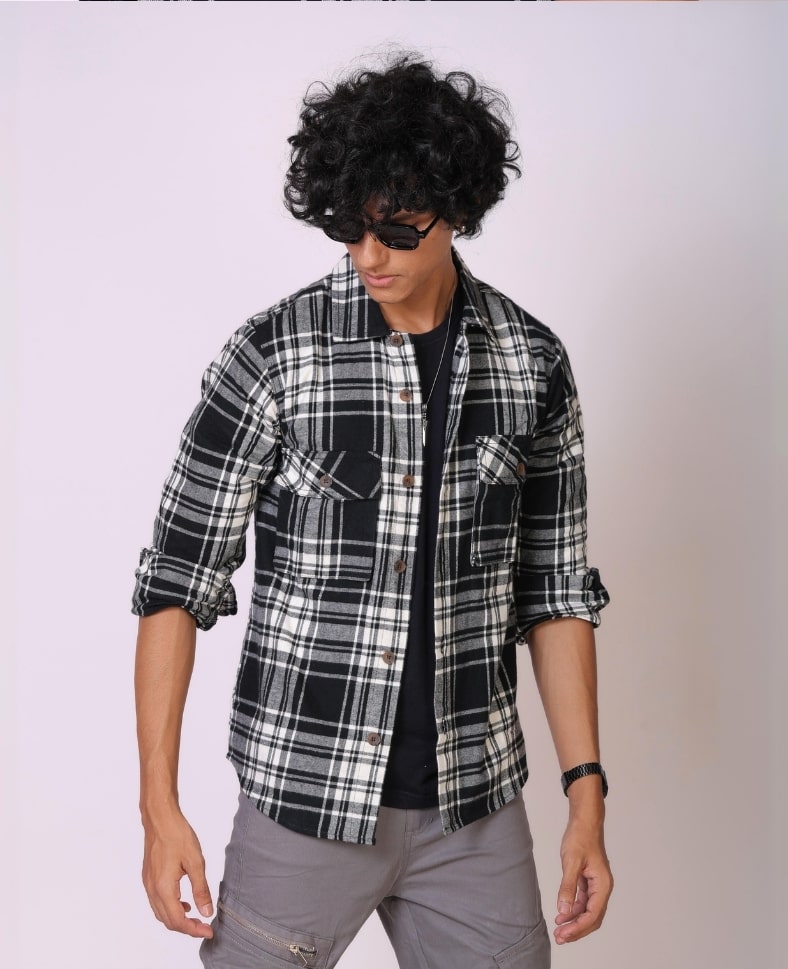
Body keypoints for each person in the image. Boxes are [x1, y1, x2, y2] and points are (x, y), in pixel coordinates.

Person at [132, 54, 612, 969]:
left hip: (473, 808)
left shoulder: (531, 364)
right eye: (349, 229)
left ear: (458, 210)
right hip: (306, 799)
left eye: (395, 230)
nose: (370, 256)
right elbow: (176, 581)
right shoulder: (275, 355)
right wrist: (159, 807)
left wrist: (585, 794)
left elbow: (554, 593)